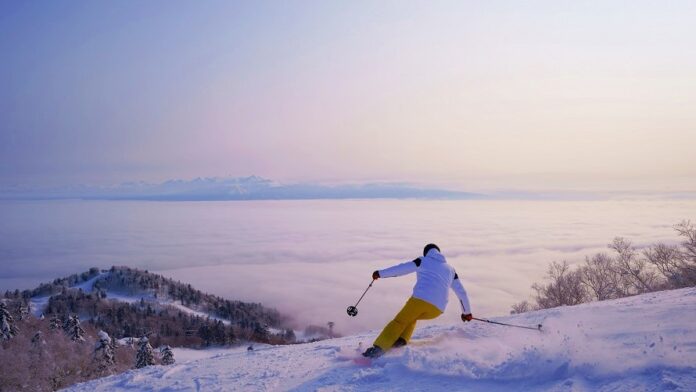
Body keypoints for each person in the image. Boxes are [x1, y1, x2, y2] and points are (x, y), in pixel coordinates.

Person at [362, 243, 473, 358]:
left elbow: (401, 269)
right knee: (412, 318)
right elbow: (462, 292)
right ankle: (401, 341)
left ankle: (378, 349)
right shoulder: (451, 270)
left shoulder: (422, 261)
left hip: (420, 300)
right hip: (438, 309)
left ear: (426, 253)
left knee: (399, 321)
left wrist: (380, 273)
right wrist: (467, 313)